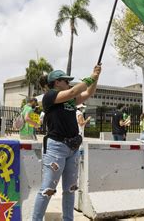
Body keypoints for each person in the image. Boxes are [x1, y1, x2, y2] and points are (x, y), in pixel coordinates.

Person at [32, 65, 101, 221]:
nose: (69, 83)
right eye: (66, 80)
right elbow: (73, 91)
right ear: (57, 82)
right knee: (48, 189)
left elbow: (89, 92)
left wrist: (95, 78)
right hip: (56, 147)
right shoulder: (49, 96)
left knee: (70, 189)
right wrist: (91, 76)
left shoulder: (70, 100)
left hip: (73, 147)